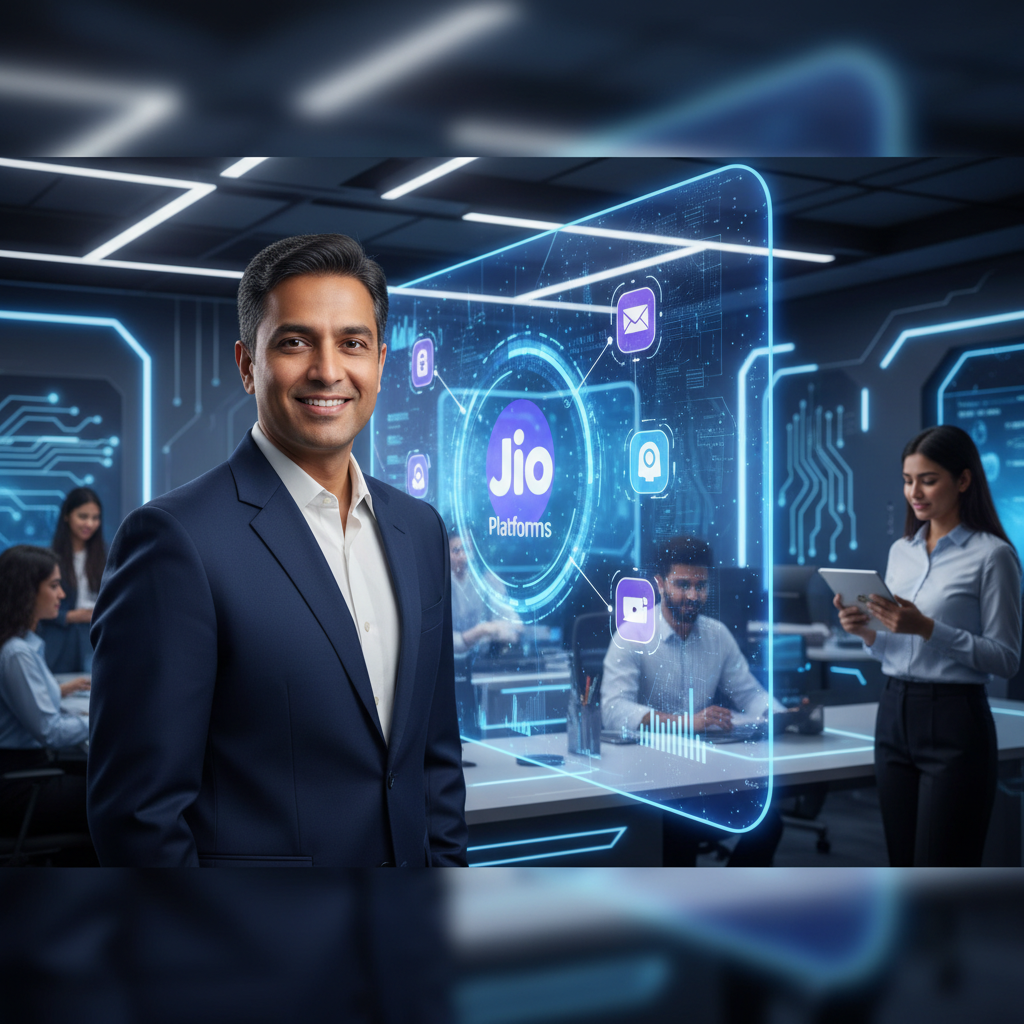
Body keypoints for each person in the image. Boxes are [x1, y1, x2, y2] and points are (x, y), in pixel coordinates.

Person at [87, 233, 467, 867]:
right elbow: (139, 818)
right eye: (295, 342)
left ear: (379, 364)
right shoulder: (175, 541)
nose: (327, 370)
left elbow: (434, 763)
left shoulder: (419, 531)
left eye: (353, 343)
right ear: (246, 364)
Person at [834, 425, 1021, 866]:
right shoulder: (902, 550)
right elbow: (896, 648)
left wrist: (927, 628)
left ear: (963, 480)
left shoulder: (992, 556)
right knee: (903, 865)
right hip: (894, 714)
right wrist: (866, 633)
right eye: (907, 480)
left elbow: (1007, 658)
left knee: (942, 870)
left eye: (928, 479)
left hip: (955, 719)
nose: (914, 492)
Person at [601, 535, 785, 865]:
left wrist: (781, 715)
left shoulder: (716, 634)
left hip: (705, 773)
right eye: (682, 585)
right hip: (650, 782)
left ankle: (729, 906)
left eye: (700, 586)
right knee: (679, 833)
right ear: (660, 584)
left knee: (768, 822)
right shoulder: (633, 634)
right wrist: (688, 723)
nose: (692, 596)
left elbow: (750, 693)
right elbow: (614, 710)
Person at [0, 545, 92, 855]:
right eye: (53, 585)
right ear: (27, 591)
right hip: (19, 788)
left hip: (24, 771)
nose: (62, 595)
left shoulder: (21, 644)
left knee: (98, 777)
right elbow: (50, 732)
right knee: (115, 796)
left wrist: (60, 689)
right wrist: (100, 722)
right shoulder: (16, 653)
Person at [37, 487, 106, 673]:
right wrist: (71, 616)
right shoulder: (49, 558)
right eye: (83, 516)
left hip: (97, 635)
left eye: (95, 518)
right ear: (67, 516)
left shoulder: (107, 556)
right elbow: (35, 606)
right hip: (60, 639)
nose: (90, 524)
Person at [450, 528, 521, 655]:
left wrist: (497, 630)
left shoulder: (485, 581)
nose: (463, 556)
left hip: (484, 662)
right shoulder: (440, 586)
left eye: (466, 549)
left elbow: (516, 625)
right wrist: (482, 630)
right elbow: (447, 642)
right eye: (456, 551)